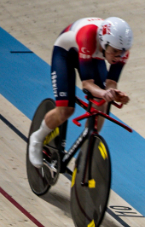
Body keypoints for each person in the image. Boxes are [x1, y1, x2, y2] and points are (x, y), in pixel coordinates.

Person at [28, 17, 133, 169]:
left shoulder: (121, 51)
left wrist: (114, 93)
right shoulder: (88, 35)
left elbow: (111, 83)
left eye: (122, 53)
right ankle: (37, 138)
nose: (118, 56)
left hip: (93, 55)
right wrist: (104, 93)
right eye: (115, 52)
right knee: (65, 110)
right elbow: (87, 84)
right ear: (104, 43)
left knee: (102, 104)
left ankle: (86, 151)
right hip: (66, 53)